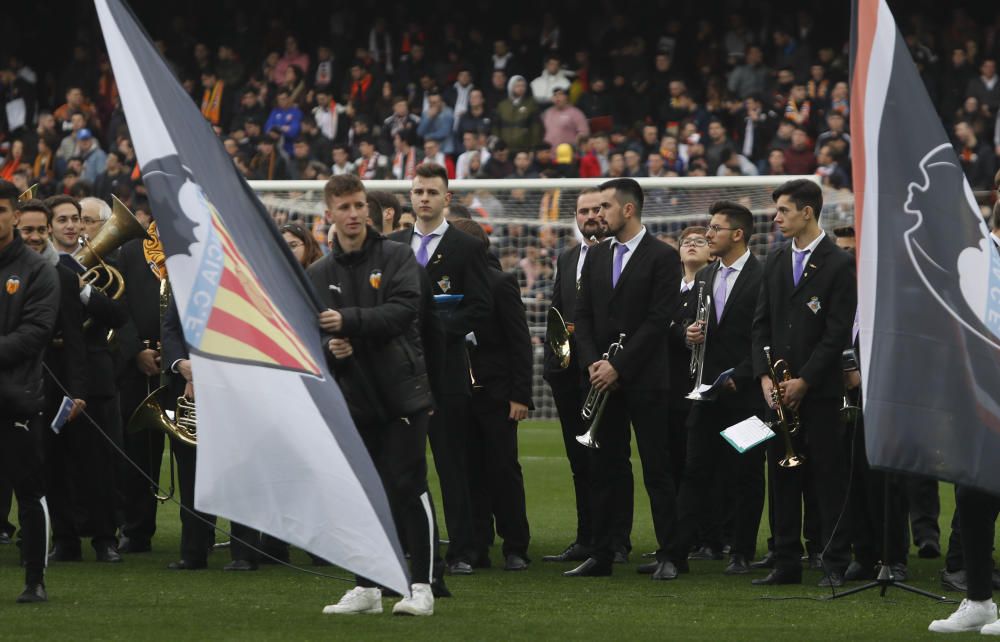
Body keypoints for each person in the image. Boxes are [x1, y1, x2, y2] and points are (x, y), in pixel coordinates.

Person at [310, 174, 439, 616]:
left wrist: (345, 324)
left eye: (358, 205)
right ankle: (367, 588)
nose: (352, 214)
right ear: (329, 213)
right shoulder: (318, 273)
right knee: (361, 493)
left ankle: (421, 586)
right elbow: (316, 340)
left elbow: (403, 313)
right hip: (352, 398)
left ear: (369, 208)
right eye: (343, 207)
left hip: (403, 393)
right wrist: (334, 349)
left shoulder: (398, 255)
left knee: (407, 486)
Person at [566, 178, 683, 580]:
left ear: (628, 210)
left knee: (657, 469)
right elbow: (581, 317)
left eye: (604, 207)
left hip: (646, 380)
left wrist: (621, 365)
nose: (597, 215)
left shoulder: (662, 257)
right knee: (604, 467)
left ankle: (671, 553)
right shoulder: (596, 257)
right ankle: (603, 551)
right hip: (601, 380)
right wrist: (593, 364)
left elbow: (658, 321)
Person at [751, 178, 857, 587]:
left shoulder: (838, 262)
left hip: (821, 393)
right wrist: (764, 376)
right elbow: (760, 324)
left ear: (807, 212)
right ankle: (785, 562)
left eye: (783, 211)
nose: (777, 218)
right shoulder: (775, 259)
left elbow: (837, 331)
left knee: (828, 479)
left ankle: (833, 562)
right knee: (781, 478)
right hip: (777, 393)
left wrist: (805, 381)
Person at [388, 163, 492, 575]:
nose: (425, 198)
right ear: (410, 197)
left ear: (446, 198)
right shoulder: (392, 246)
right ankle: (406, 546)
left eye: (433, 191)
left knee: (452, 466)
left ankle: (462, 551)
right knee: (401, 466)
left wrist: (433, 328)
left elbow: (481, 308)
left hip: (446, 376)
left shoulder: (467, 249)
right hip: (398, 376)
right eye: (418, 191)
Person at [667, 201, 766, 576]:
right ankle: (678, 553)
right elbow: (683, 323)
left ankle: (741, 552)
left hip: (748, 397)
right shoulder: (705, 275)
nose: (708, 234)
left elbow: (766, 334)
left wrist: (742, 372)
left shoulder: (764, 275)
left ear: (737, 234)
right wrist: (686, 332)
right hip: (706, 394)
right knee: (694, 471)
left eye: (715, 229)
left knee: (746, 474)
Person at [542, 188, 629, 564]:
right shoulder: (566, 257)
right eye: (583, 211)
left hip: (608, 368)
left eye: (597, 209)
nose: (591, 216)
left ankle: (617, 541)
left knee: (612, 458)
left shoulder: (621, 258)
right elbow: (558, 312)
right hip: (567, 371)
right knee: (579, 459)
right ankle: (586, 537)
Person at [450, 218, 533, 572]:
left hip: (497, 394)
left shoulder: (500, 283)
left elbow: (519, 342)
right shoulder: (444, 286)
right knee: (468, 472)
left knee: (503, 470)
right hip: (458, 394)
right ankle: (475, 547)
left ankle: (515, 545)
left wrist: (520, 396)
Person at [0, 181, 60, 602]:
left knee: (29, 490)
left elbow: (36, 333)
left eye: (1, 210)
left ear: (15, 216)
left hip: (15, 398)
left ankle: (34, 579)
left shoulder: (38, 270)